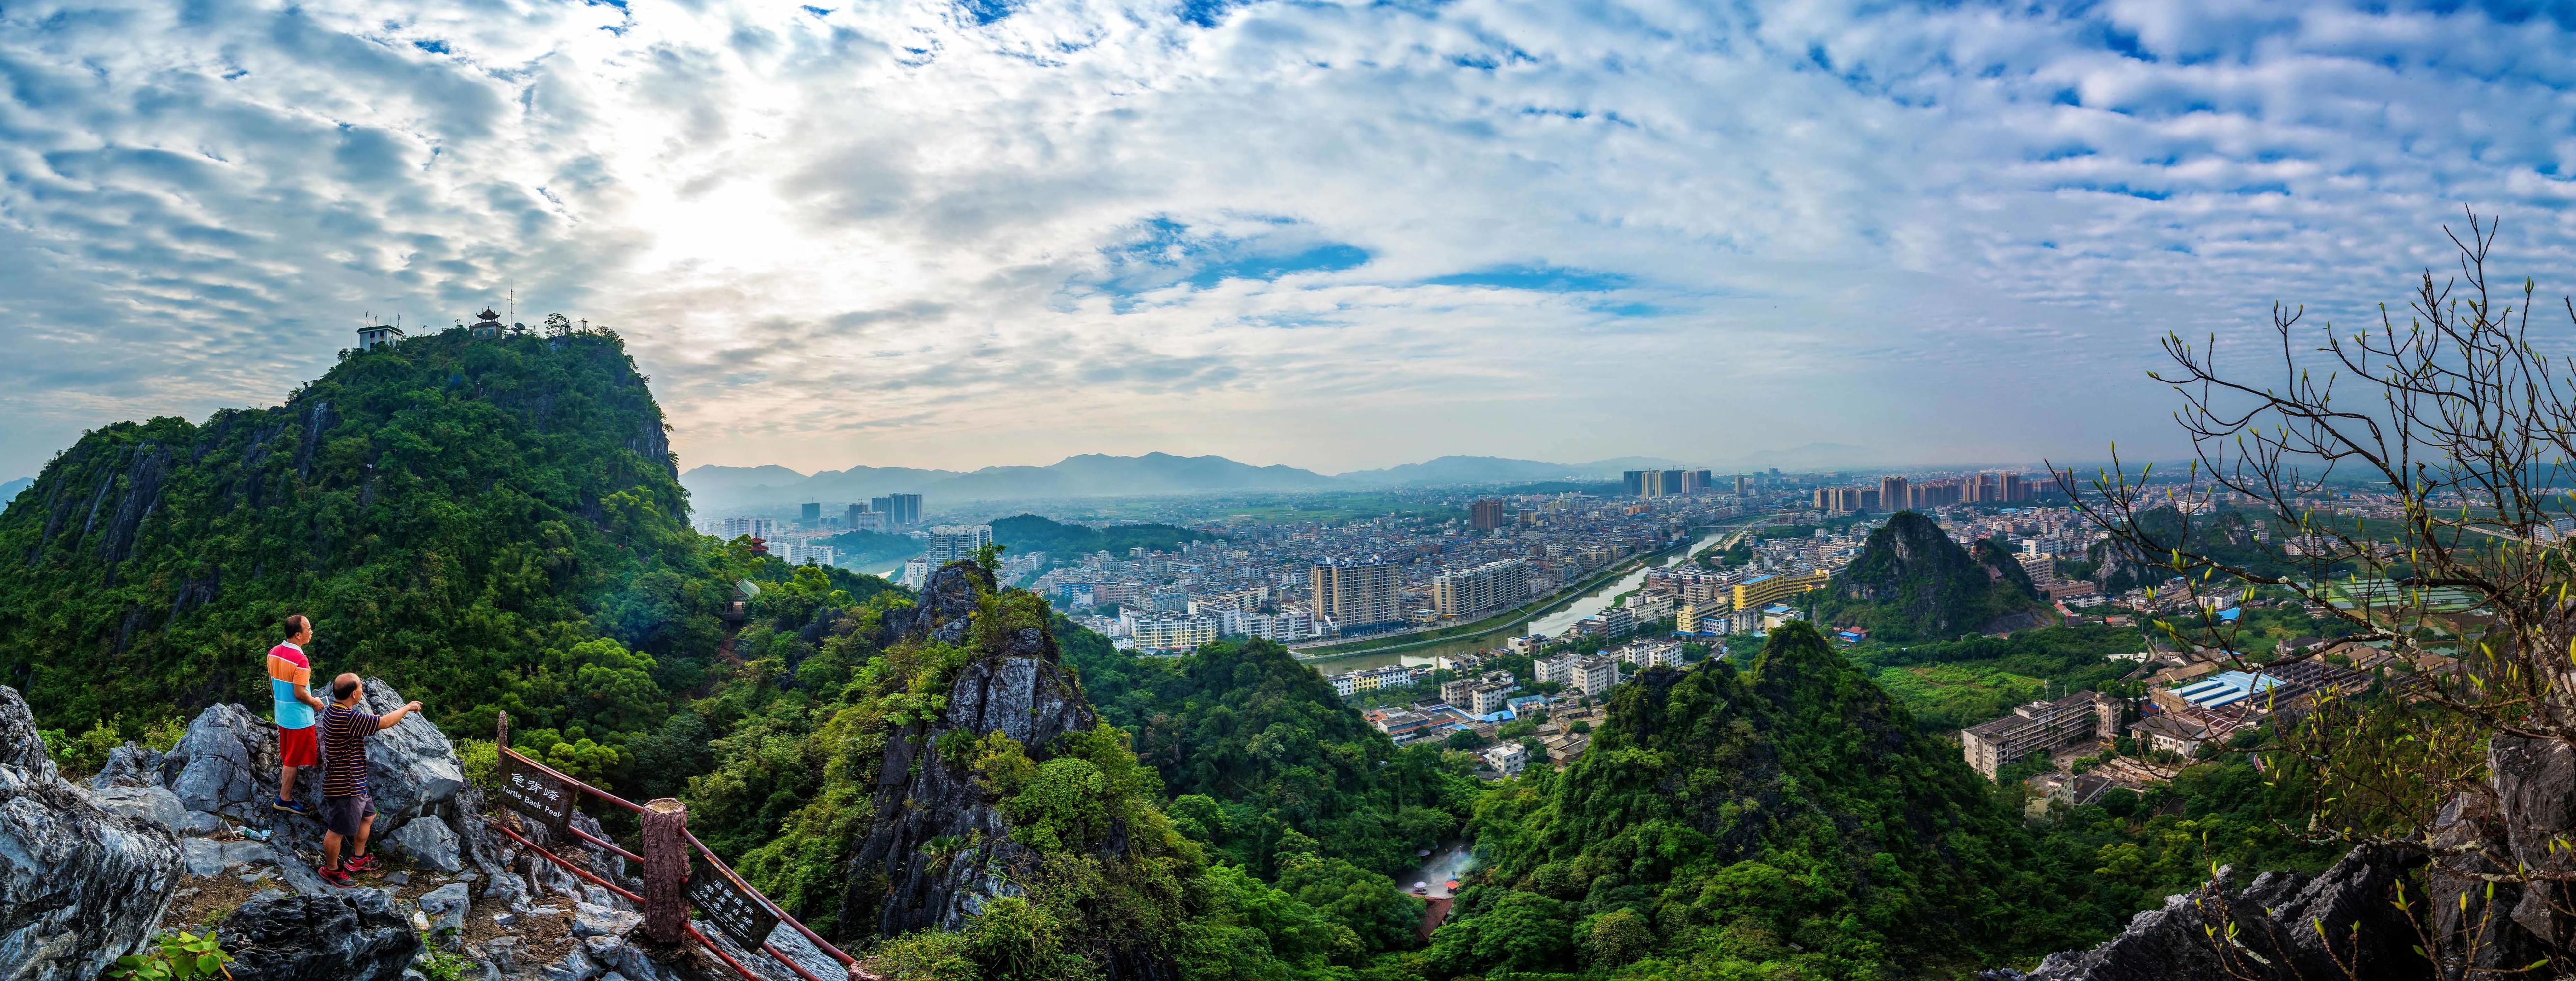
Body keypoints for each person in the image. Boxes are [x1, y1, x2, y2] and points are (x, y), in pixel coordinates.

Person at [315, 673, 421, 887]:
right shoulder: (348, 718)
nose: (363, 690)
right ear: (354, 693)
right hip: (345, 785)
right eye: (361, 687)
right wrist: (407, 707)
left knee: (368, 816)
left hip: (355, 781)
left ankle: (358, 858)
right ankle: (332, 870)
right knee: (337, 830)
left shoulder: (334, 711)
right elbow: (385, 722)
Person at [267, 615, 324, 815]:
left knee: (288, 754)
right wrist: (315, 702)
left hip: (282, 713)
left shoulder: (273, 653)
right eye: (309, 629)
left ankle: (287, 794)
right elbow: (300, 693)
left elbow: (272, 683)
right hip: (298, 718)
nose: (311, 632)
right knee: (293, 759)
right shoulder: (301, 660)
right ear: (298, 635)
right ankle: (285, 799)